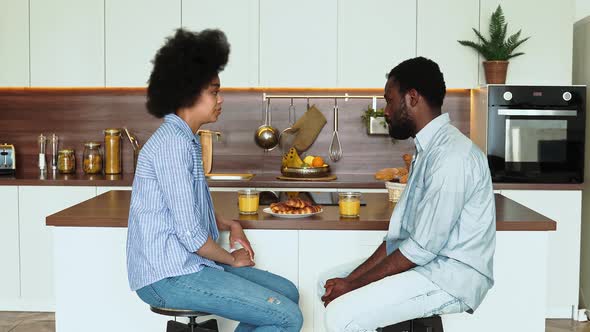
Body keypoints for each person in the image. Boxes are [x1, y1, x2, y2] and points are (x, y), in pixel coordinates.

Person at [127, 28, 303, 332]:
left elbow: (186, 210)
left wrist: (231, 224)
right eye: (214, 91)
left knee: (287, 293)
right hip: (168, 276)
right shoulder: (173, 145)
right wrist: (230, 259)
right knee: (288, 317)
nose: (221, 99)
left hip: (188, 267)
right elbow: (191, 234)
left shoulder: (186, 139)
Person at [319, 57, 496, 331]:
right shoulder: (427, 150)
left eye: (389, 100)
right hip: (428, 264)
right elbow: (399, 239)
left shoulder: (451, 156)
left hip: (451, 276)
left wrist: (353, 285)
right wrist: (348, 281)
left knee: (341, 315)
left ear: (412, 98)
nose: (386, 112)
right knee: (328, 282)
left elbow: (422, 248)